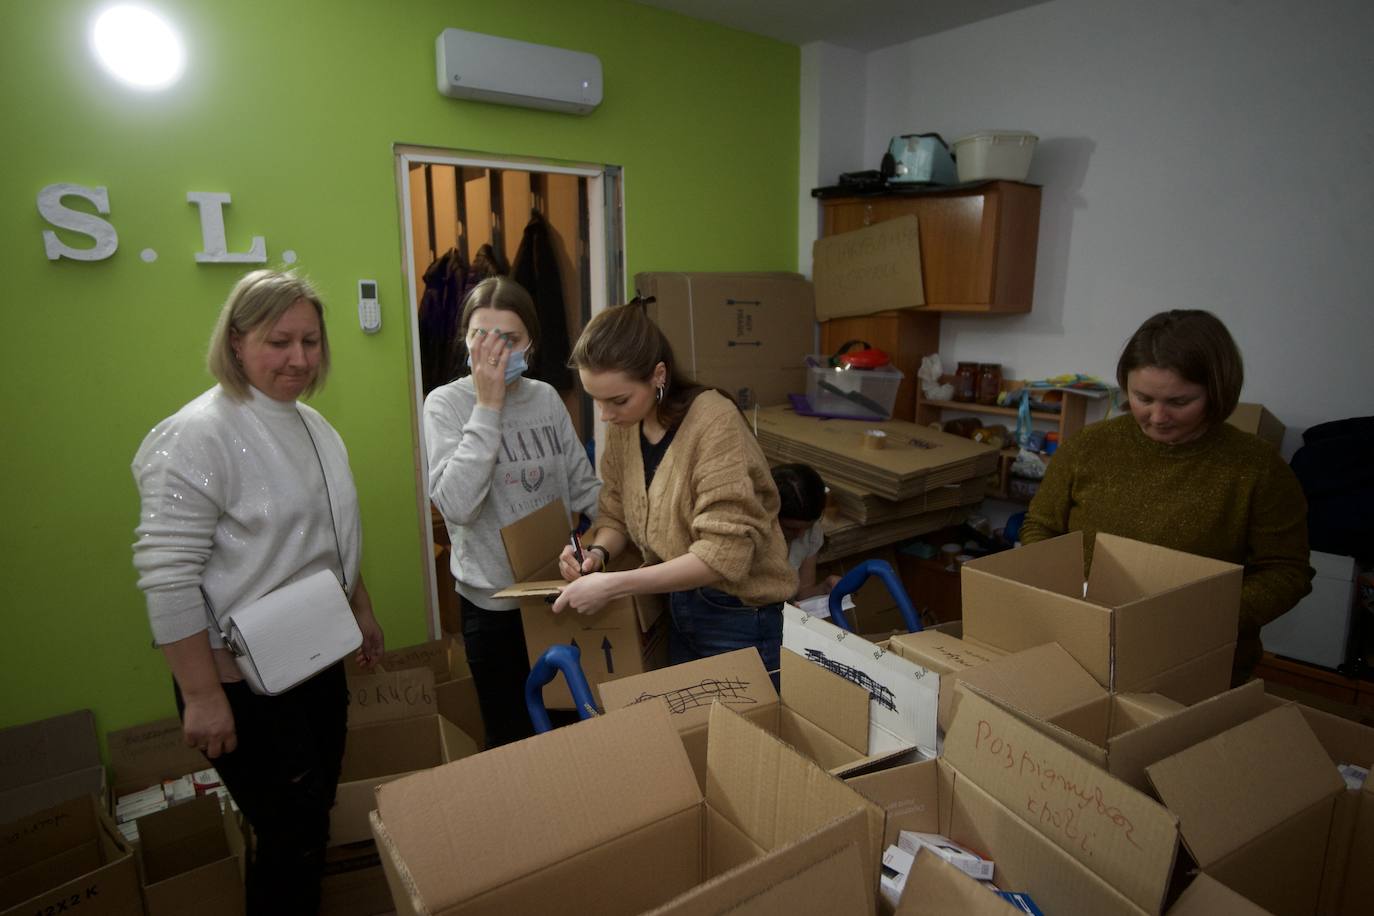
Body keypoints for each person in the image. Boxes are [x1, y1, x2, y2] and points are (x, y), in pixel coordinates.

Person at [132, 269, 384, 915]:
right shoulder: (198, 434)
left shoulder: (315, 426)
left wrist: (362, 609)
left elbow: (331, 533)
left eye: (310, 341)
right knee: (291, 833)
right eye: (279, 341)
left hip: (313, 653)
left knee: (311, 817)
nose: (299, 358)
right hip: (239, 680)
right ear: (237, 341)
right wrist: (200, 695)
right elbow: (166, 575)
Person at [1020, 309, 1313, 684]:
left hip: (1196, 659)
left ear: (1217, 392)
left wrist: (1200, 616)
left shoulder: (1258, 468)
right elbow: (1040, 527)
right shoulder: (1088, 447)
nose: (1157, 417)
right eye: (1142, 397)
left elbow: (1287, 572)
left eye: (1179, 402)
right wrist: (1062, 587)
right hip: (1082, 645)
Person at [553, 300, 796, 673]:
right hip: (677, 605)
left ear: (658, 375)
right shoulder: (625, 426)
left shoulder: (713, 423)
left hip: (738, 616)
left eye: (618, 400)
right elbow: (615, 512)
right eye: (595, 400)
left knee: (742, 730)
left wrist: (614, 585)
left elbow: (723, 555)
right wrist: (597, 554)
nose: (605, 415)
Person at [424, 276, 599, 746]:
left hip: (556, 598)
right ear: (464, 339)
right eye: (482, 336)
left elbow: (587, 492)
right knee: (512, 739)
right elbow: (456, 505)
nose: (495, 351)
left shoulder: (545, 398)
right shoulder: (445, 405)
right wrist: (488, 406)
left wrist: (604, 548)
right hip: (492, 607)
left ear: (532, 343)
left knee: (568, 731)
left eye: (510, 339)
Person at [771, 462, 842, 601]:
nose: (801, 535)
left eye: (808, 528)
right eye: (791, 528)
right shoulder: (751, 537)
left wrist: (824, 589)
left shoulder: (811, 533)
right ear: (771, 516)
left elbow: (803, 592)